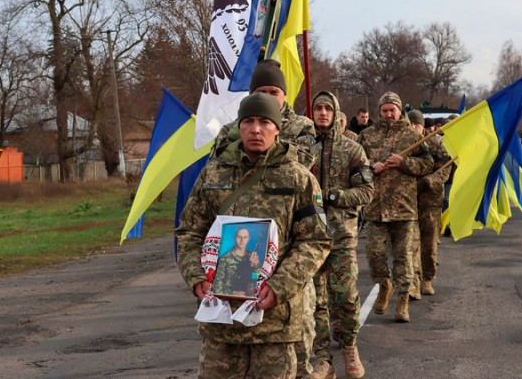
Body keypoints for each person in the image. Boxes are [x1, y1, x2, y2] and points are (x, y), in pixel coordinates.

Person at [176, 92, 332, 379]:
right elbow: (189, 232)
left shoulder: (298, 178)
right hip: (221, 321)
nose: (256, 129)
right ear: (239, 126)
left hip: (274, 322)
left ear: (277, 128)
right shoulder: (212, 175)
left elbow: (315, 240)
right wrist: (195, 277)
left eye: (264, 122)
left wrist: (279, 286)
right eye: (248, 121)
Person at [308, 91, 374, 379]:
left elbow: (367, 191)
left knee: (345, 295)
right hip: (309, 236)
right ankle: (322, 357)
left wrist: (336, 195)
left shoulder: (352, 149)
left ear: (335, 112)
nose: (322, 113)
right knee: (315, 299)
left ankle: (349, 347)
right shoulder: (300, 148)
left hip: (341, 234)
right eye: (318, 108)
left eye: (327, 108)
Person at [358, 92, 433, 322]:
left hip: (404, 207)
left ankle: (403, 300)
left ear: (400, 110)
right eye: (385, 110)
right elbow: (355, 164)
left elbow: (428, 163)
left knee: (403, 257)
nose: (389, 114)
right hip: (375, 207)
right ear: (379, 112)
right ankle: (384, 284)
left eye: (393, 110)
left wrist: (404, 162)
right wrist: (371, 167)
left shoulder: (412, 136)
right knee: (374, 254)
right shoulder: (367, 136)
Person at [214, 59, 316, 168]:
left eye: (274, 92)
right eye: (261, 92)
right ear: (251, 94)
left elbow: (305, 160)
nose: (267, 97)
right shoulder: (232, 129)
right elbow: (217, 163)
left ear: (284, 95)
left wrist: (266, 140)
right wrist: (237, 139)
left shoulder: (303, 126)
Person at [408, 110, 451, 297]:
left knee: (429, 245)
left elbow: (444, 170)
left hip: (431, 202)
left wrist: (427, 182)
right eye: (409, 125)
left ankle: (427, 278)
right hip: (408, 203)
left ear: (422, 126)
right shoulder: (405, 144)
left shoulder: (436, 143)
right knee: (411, 245)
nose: (413, 129)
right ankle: (414, 282)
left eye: (416, 125)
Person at [212, 227, 261, 297]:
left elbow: (257, 279)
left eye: (245, 237)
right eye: (239, 237)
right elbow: (217, 286)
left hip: (249, 299)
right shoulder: (224, 259)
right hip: (229, 300)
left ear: (248, 239)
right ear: (235, 238)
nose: (242, 240)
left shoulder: (253, 257)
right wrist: (231, 294)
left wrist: (254, 268)